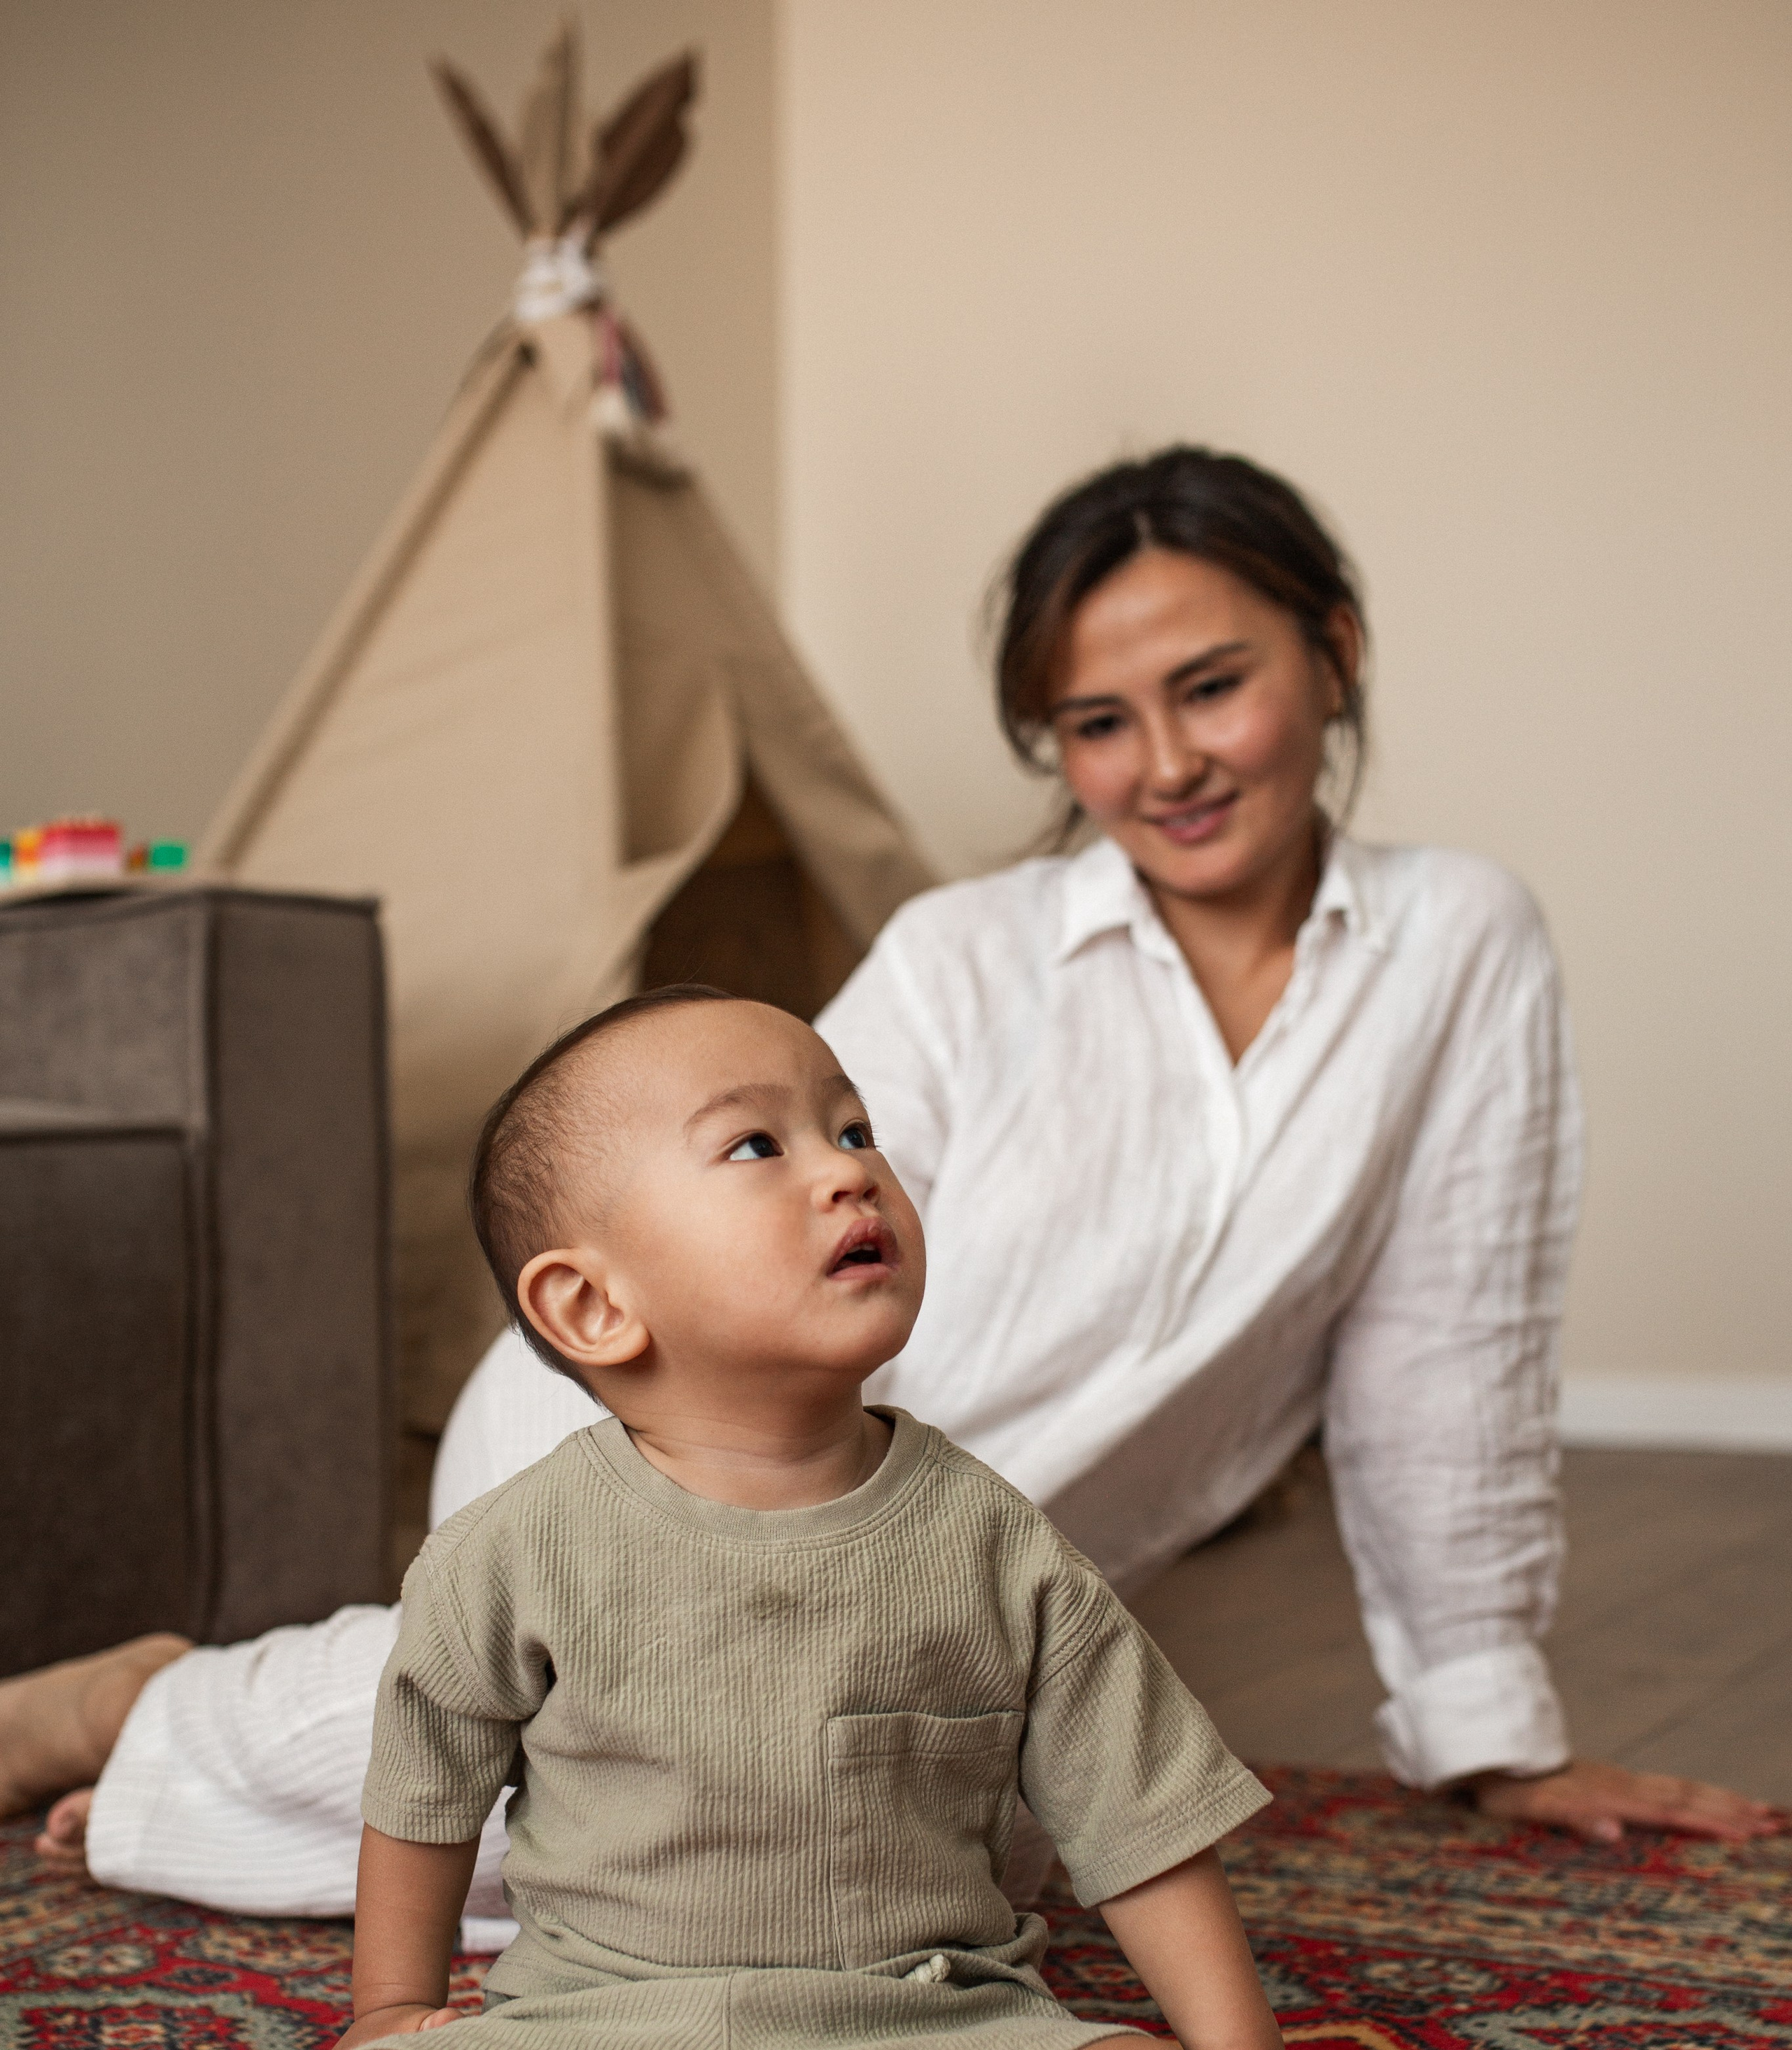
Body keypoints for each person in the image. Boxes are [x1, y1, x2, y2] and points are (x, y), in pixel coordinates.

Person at [1, 447, 1775, 1904]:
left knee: (756, 1879)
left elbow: (1442, 1343)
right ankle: (147, 1711)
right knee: (542, 1826)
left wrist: (1491, 1724)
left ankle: (203, 1731)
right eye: (1093, 723)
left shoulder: (1460, 942)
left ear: (1336, 648)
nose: (1160, 767)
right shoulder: (965, 950)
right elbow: (718, 1216)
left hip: (937, 1615)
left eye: (1211, 687)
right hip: (648, 1449)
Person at [0, 992, 1381, 2050]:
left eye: (853, 1129)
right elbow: (425, 1781)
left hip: (911, 2037)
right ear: (593, 1307)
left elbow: (1137, 1819)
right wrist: (389, 2011)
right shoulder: (516, 1549)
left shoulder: (993, 1542)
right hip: (587, 2031)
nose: (847, 1172)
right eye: (757, 1144)